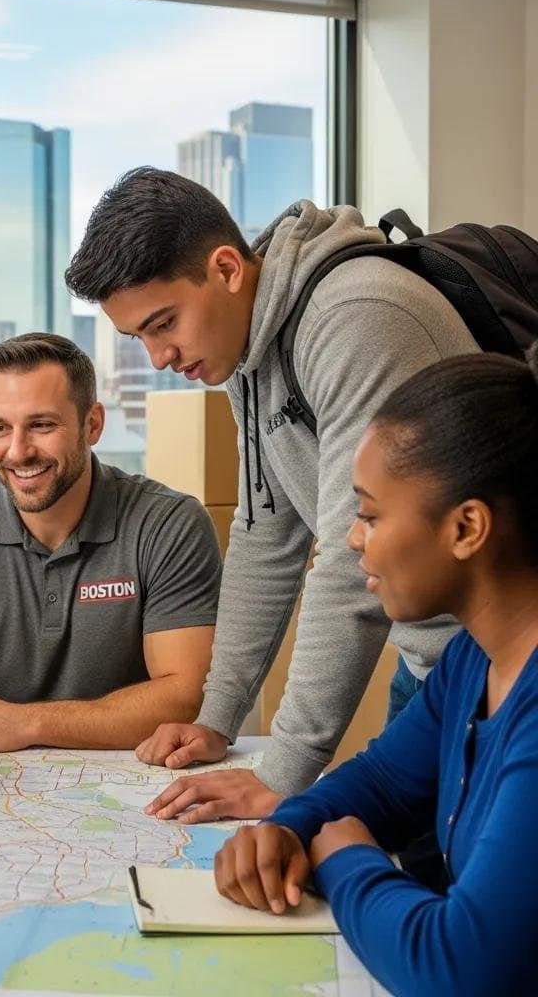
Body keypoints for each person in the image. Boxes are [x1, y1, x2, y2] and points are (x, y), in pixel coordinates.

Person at [64, 167, 478, 819]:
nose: (159, 358)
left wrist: (282, 773)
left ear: (227, 268)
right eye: (137, 337)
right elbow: (267, 535)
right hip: (435, 664)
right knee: (407, 869)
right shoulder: (247, 354)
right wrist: (217, 718)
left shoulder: (356, 319)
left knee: (469, 908)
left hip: (507, 673)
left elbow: (349, 559)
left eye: (163, 322)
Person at [208, 346, 538, 996]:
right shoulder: (475, 656)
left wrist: (343, 857)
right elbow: (385, 782)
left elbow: (459, 968)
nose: (353, 539)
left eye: (370, 514)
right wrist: (286, 828)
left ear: (467, 527)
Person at [0, 333, 222, 778]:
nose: (18, 451)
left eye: (41, 425)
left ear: (92, 425)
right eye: (0, 427)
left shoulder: (169, 524)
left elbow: (185, 695)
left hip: (140, 782)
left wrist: (27, 722)